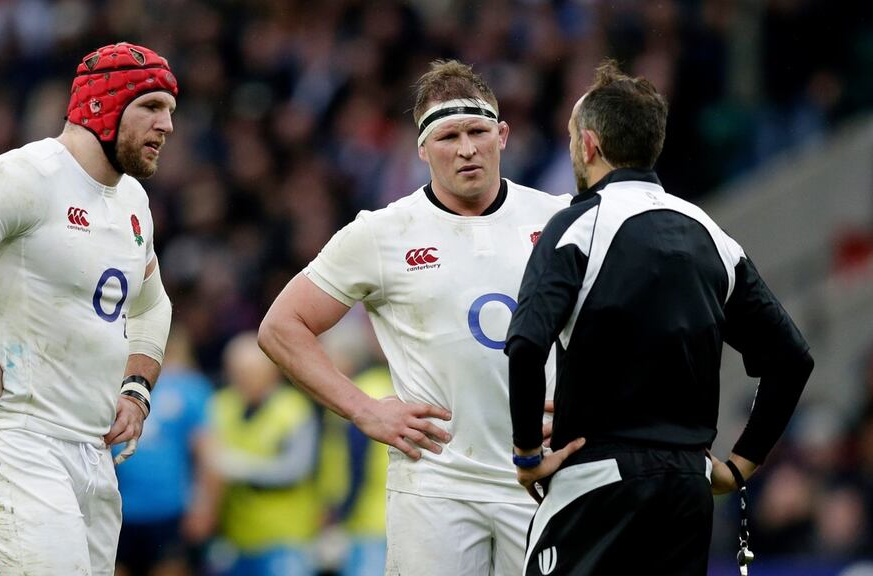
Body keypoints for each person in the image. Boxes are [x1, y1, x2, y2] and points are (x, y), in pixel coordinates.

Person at [258, 59, 569, 575]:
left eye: (478, 131)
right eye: (448, 136)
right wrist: (364, 410)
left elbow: (619, 325)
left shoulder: (560, 219)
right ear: (422, 148)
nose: (466, 148)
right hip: (436, 485)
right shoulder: (381, 234)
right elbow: (281, 328)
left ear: (503, 135)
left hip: (541, 477)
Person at [505, 59, 814, 576]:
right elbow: (791, 359)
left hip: (597, 487)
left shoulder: (578, 226)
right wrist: (738, 467)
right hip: (687, 494)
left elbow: (526, 345)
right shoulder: (712, 235)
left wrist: (527, 454)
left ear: (588, 146)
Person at [0, 42, 177, 574]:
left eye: (171, 112)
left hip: (91, 455)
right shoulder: (31, 175)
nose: (168, 125)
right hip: (20, 442)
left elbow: (153, 306)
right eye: (152, 107)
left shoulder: (134, 202)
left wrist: (136, 389)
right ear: (103, 106)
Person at [211, 331, 321, 576]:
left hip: (286, 538)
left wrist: (243, 468)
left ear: (271, 373)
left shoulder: (293, 409)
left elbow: (297, 469)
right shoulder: (221, 404)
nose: (242, 381)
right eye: (237, 373)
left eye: (249, 374)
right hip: (236, 536)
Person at [113, 326, 219, 576]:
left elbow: (208, 455)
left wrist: (204, 507)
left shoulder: (190, 388)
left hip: (168, 511)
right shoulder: (117, 385)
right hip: (119, 509)